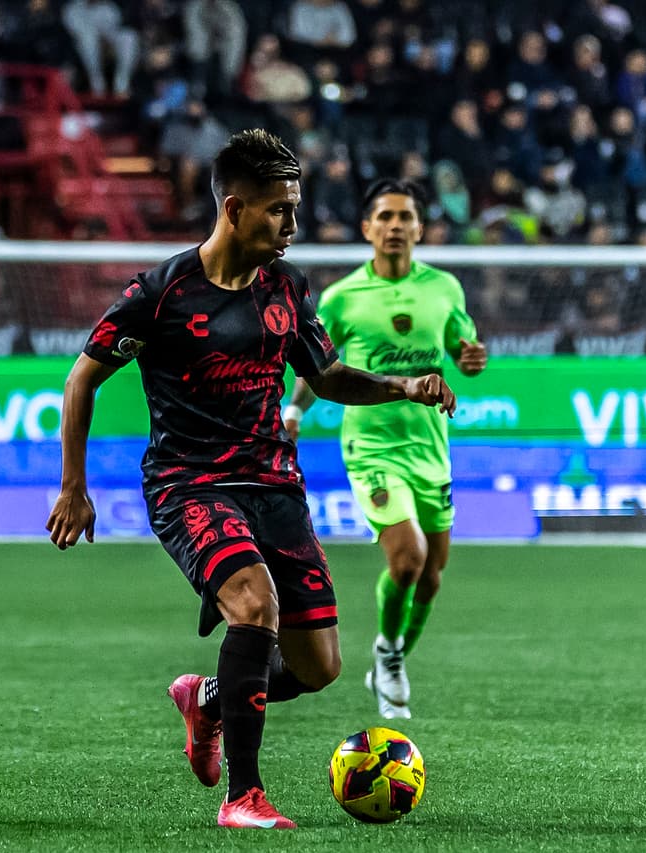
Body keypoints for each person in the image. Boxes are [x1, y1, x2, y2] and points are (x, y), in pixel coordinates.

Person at [45, 130, 456, 829]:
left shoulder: (286, 289)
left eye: (294, 209)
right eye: (278, 211)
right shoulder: (162, 290)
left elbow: (325, 376)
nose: (292, 225)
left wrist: (403, 386)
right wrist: (73, 485)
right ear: (233, 209)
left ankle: (207, 697)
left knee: (320, 665)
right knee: (253, 604)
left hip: (273, 485)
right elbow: (83, 376)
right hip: (189, 484)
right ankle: (243, 796)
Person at [283, 179, 487, 720]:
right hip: (371, 445)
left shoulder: (444, 288)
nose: (396, 226)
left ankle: (390, 654)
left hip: (430, 446)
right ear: (368, 228)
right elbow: (319, 366)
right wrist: (295, 409)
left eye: (405, 217)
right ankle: (390, 657)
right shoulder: (343, 296)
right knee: (409, 558)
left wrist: (468, 359)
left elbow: (462, 346)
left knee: (433, 572)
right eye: (386, 217)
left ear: (420, 228)